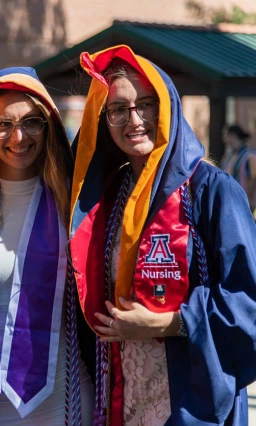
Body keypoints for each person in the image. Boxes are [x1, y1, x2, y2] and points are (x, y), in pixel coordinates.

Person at [69, 45, 256, 425]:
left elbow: (248, 304)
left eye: (146, 104)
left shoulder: (211, 191)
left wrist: (168, 322)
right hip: (122, 390)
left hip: (190, 394)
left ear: (167, 106)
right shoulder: (109, 195)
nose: (133, 120)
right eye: (118, 109)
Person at [0, 67, 94, 425]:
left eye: (32, 122)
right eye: (4, 124)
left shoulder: (75, 202)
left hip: (59, 397)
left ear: (48, 126)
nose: (18, 137)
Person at [220, 124, 256, 218]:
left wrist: (249, 201)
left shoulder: (249, 156)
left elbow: (252, 178)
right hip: (232, 201)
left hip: (243, 202)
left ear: (233, 135)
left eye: (226, 135)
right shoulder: (230, 155)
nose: (224, 139)